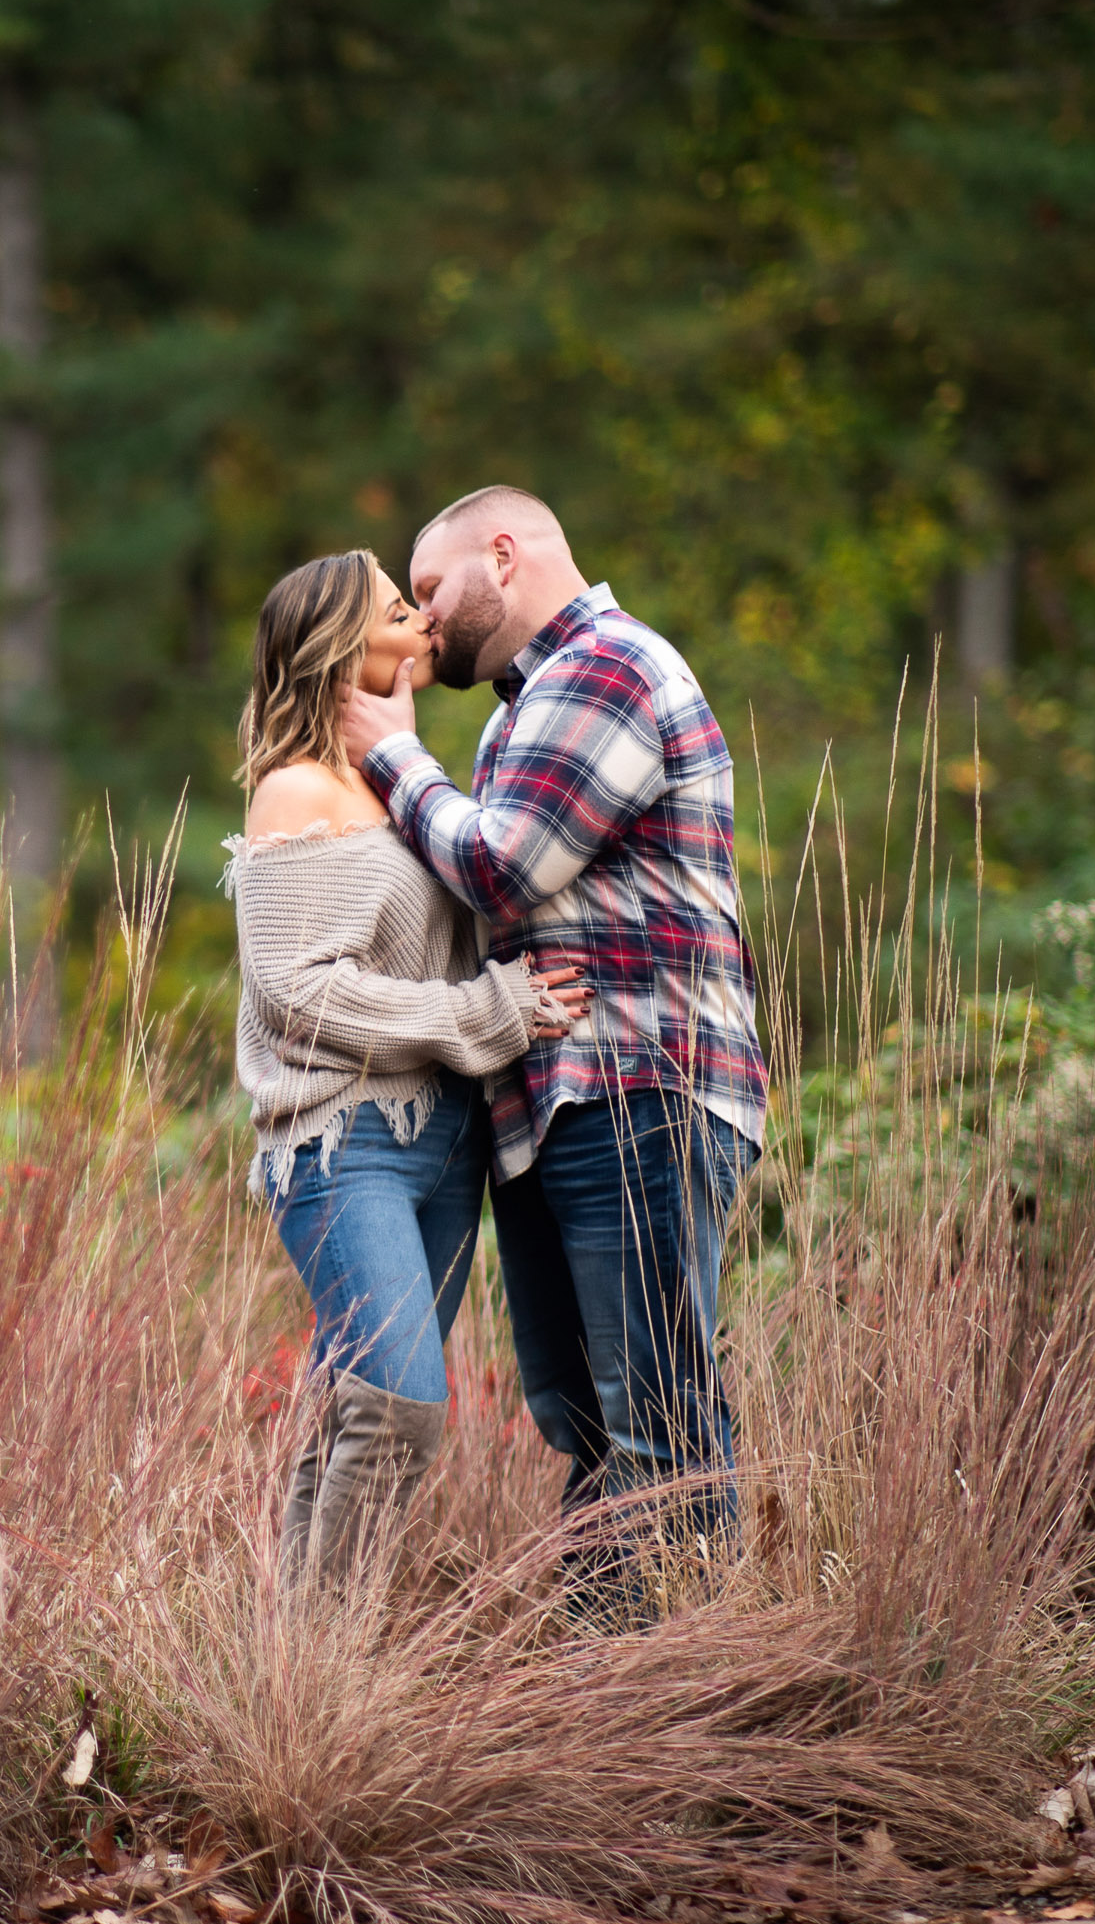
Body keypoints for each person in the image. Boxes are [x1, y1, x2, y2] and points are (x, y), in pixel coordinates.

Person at [336, 486, 765, 1551]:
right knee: (589, 1429)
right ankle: (608, 1646)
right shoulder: (518, 712)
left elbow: (503, 867)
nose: (423, 617)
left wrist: (394, 756)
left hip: (639, 1090)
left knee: (655, 1429)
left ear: (502, 554)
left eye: (429, 587)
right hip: (555, 1109)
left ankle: (693, 1651)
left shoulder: (608, 667)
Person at [230, 548, 589, 1591]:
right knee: (398, 1410)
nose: (428, 621)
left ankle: (297, 1653)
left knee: (352, 1404)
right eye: (400, 610)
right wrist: (488, 1013)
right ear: (342, 648)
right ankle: (327, 1656)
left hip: (448, 1142)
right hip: (344, 1142)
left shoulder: (397, 779)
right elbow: (296, 993)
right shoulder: (295, 791)